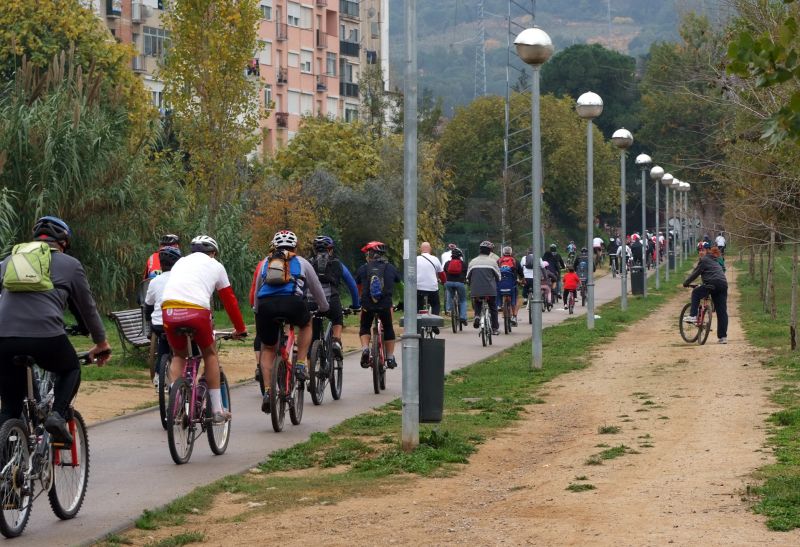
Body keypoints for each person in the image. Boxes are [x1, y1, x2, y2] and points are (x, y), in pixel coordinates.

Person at [0, 216, 112, 445]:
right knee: (70, 368)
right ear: (63, 242)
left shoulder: (7, 261)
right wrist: (101, 342)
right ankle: (57, 416)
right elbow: (87, 308)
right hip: (46, 337)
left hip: (4, 338)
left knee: (9, 408)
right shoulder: (70, 265)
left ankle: (6, 465)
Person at [162, 235, 247, 423]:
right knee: (210, 354)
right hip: (197, 311)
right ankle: (217, 410)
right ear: (213, 253)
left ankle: (175, 405)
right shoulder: (216, 266)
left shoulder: (180, 262)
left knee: (178, 355)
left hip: (168, 310)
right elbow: (229, 301)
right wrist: (240, 328)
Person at [250, 230, 328, 413]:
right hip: (293, 303)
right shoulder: (302, 262)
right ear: (295, 246)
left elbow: (256, 292)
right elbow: (316, 289)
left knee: (268, 348)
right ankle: (301, 363)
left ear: (274, 246)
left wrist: (256, 309)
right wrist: (324, 307)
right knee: (306, 324)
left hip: (266, 306)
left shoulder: (263, 263)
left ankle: (268, 391)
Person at [307, 235, 360, 359]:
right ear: (330, 249)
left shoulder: (307, 263)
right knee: (337, 317)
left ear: (314, 250)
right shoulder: (338, 264)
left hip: (311, 302)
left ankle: (311, 370)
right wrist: (356, 305)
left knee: (312, 338)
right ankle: (336, 341)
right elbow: (352, 285)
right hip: (332, 301)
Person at [355, 241, 402, 369]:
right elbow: (399, 282)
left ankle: (365, 349)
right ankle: (390, 358)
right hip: (385, 305)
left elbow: (358, 286)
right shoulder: (390, 268)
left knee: (365, 326)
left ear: (370, 254)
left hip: (367, 305)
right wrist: (401, 303)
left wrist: (361, 300)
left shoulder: (363, 268)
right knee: (388, 328)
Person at [144, 245, 182, 389]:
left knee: (163, 342)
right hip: (178, 321)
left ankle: (159, 376)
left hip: (159, 324)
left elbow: (148, 305)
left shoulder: (154, 281)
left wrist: (149, 319)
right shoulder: (182, 279)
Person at [683, 242, 729, 344]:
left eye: (702, 250)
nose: (700, 252)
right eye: (699, 250)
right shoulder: (715, 260)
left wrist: (686, 283)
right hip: (723, 284)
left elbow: (695, 273)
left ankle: (693, 315)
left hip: (713, 283)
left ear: (707, 250)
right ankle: (723, 337)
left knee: (695, 293)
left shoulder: (704, 260)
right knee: (722, 311)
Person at [467, 241, 500, 335]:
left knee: (477, 302)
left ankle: (477, 316)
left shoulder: (473, 261)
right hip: (490, 290)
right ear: (489, 251)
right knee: (493, 307)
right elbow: (499, 277)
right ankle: (494, 328)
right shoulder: (492, 262)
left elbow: (467, 277)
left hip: (476, 290)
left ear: (480, 250)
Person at [416, 242, 443, 320]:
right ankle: (434, 323)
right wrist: (444, 281)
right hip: (432, 288)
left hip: (419, 288)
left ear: (420, 249)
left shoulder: (415, 259)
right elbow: (441, 274)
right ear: (430, 249)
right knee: (436, 304)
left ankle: (418, 323)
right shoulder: (435, 259)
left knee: (418, 305)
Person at [442, 247, 468, 327]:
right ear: (460, 256)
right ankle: (463, 317)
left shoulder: (447, 263)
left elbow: (444, 273)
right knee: (463, 300)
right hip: (459, 283)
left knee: (450, 293)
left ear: (451, 256)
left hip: (448, 283)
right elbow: (466, 274)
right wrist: (466, 280)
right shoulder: (463, 264)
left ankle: (449, 309)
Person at [497, 246, 520, 326]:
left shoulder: (498, 261)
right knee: (516, 298)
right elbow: (521, 273)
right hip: (512, 284)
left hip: (500, 285)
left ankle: (499, 306)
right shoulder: (515, 261)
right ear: (511, 252)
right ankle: (514, 316)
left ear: (503, 253)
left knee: (499, 292)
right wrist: (522, 281)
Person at [441, 243, 457, 314]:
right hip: (457, 275)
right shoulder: (459, 253)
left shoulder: (444, 254)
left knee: (448, 290)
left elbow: (442, 266)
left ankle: (448, 309)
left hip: (446, 273)